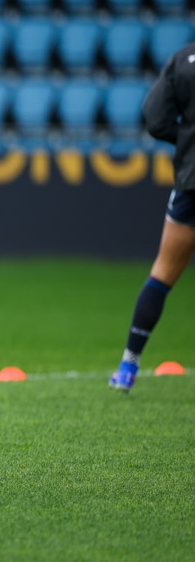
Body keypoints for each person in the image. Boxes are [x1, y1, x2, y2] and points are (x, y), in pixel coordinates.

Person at [109, 42, 195, 392]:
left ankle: (128, 366)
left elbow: (155, 118)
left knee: (161, 275)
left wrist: (187, 139)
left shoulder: (183, 59)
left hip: (191, 182)